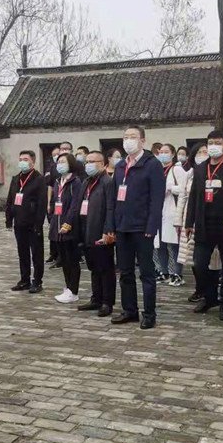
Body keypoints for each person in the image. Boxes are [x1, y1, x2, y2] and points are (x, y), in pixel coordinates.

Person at [112, 126, 165, 329]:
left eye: (133, 137)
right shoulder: (120, 166)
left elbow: (157, 199)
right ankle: (129, 310)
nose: (128, 140)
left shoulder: (152, 165)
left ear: (142, 140)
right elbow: (114, 199)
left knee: (146, 273)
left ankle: (149, 313)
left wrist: (152, 226)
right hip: (122, 227)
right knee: (125, 272)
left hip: (142, 228)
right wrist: (112, 224)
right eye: (125, 137)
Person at [185, 130, 223, 321]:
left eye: (217, 142)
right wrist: (189, 222)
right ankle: (209, 298)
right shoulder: (201, 168)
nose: (213, 146)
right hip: (204, 223)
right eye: (210, 143)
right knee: (200, 264)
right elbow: (193, 196)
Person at [77, 151, 117, 316]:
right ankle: (96, 298)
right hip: (87, 230)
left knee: (105, 269)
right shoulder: (86, 182)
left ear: (102, 163)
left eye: (92, 161)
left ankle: (107, 302)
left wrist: (108, 230)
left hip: (101, 232)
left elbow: (110, 208)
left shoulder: (107, 182)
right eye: (87, 161)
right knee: (94, 267)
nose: (88, 165)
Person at [5, 150, 48, 293]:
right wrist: (9, 219)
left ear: (32, 162)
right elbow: (10, 200)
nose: (22, 162)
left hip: (33, 223)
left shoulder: (39, 179)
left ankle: (37, 281)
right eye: (20, 159)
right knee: (22, 253)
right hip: (19, 222)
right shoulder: (16, 178)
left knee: (36, 253)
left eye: (25, 159)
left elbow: (42, 203)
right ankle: (24, 280)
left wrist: (38, 224)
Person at [176, 143, 209, 304]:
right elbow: (182, 197)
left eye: (205, 152)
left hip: (207, 218)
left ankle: (208, 289)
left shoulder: (210, 173)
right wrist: (178, 221)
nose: (203, 154)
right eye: (200, 152)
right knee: (193, 259)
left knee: (206, 258)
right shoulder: (189, 174)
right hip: (189, 219)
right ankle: (200, 288)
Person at [50, 153, 83, 303]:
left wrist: (68, 223)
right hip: (57, 225)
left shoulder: (75, 182)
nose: (60, 164)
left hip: (69, 227)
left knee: (72, 260)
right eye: (58, 162)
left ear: (70, 164)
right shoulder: (58, 181)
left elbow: (75, 205)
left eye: (63, 161)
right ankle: (68, 287)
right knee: (64, 260)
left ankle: (73, 290)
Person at [155, 143, 187, 286]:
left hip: (172, 210)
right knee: (160, 244)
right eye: (161, 152)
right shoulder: (157, 169)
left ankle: (177, 273)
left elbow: (185, 189)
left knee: (175, 244)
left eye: (166, 151)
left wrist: (170, 187)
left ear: (173, 154)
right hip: (159, 210)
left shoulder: (176, 169)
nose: (163, 154)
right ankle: (164, 272)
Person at [45, 146, 61, 265]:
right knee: (53, 228)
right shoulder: (52, 168)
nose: (56, 157)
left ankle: (61, 255)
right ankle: (53, 253)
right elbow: (50, 185)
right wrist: (48, 202)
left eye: (57, 154)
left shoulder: (69, 168)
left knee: (60, 228)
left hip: (63, 202)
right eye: (53, 155)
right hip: (54, 202)